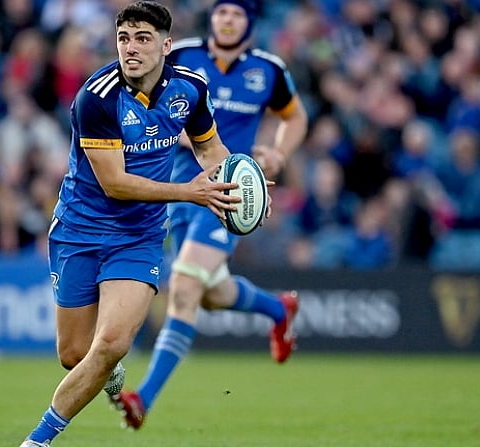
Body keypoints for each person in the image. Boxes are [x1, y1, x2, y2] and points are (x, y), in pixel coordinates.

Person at [18, 2, 251, 446]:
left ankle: (38, 441)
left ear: (166, 45)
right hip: (79, 230)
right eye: (124, 38)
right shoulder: (96, 98)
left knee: (112, 344)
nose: (131, 48)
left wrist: (240, 183)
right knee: (74, 354)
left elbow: (210, 150)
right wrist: (191, 192)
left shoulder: (191, 89)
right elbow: (116, 184)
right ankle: (106, 375)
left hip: (139, 237)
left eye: (143, 38)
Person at [112, 0, 309, 430]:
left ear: (249, 23)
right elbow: (141, 97)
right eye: (222, 12)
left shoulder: (268, 69)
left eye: (237, 14)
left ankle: (143, 398)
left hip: (226, 188)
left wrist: (278, 152)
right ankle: (279, 310)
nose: (227, 19)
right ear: (212, 18)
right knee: (210, 292)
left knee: (182, 285)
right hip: (177, 187)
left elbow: (295, 118)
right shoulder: (180, 54)